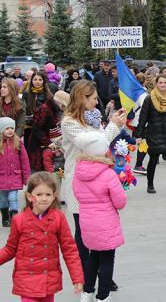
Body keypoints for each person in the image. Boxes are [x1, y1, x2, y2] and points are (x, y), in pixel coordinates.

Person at [61, 81, 126, 293]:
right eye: (93, 98)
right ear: (82, 98)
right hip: (79, 180)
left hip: (98, 179)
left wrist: (116, 125)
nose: (96, 101)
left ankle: (103, 273)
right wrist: (112, 127)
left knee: (101, 228)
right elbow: (93, 144)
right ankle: (84, 277)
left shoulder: (94, 117)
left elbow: (102, 144)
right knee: (83, 231)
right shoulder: (69, 121)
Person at [0, 172, 84, 300]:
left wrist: (77, 277)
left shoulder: (58, 218)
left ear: (54, 196)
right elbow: (10, 249)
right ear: (29, 196)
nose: (44, 198)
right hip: (26, 278)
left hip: (48, 279)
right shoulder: (19, 220)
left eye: (48, 194)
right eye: (39, 194)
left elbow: (69, 250)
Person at [72, 132, 127, 302]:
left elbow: (76, 194)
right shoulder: (107, 174)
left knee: (93, 257)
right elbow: (120, 202)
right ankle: (103, 296)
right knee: (107, 260)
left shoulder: (78, 172)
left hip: (87, 221)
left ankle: (87, 292)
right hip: (105, 222)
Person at [134, 75, 166, 195]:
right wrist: (139, 135)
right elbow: (143, 119)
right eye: (160, 82)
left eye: (165, 82)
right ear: (156, 84)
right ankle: (150, 184)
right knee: (153, 160)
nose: (162, 84)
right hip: (153, 134)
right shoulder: (149, 99)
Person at [23, 71, 59, 172]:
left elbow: (55, 111)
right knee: (32, 156)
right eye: (35, 79)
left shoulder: (47, 94)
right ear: (31, 81)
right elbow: (24, 110)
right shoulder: (27, 94)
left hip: (43, 129)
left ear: (43, 81)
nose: (37, 82)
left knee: (44, 156)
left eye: (40, 79)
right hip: (29, 129)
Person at [0, 117, 30, 227]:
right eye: (7, 128)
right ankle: (5, 217)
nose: (10, 130)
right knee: (3, 200)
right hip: (1, 178)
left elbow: (25, 161)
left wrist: (26, 177)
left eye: (12, 128)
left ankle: (14, 218)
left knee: (13, 198)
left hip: (15, 177)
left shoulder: (18, 143)